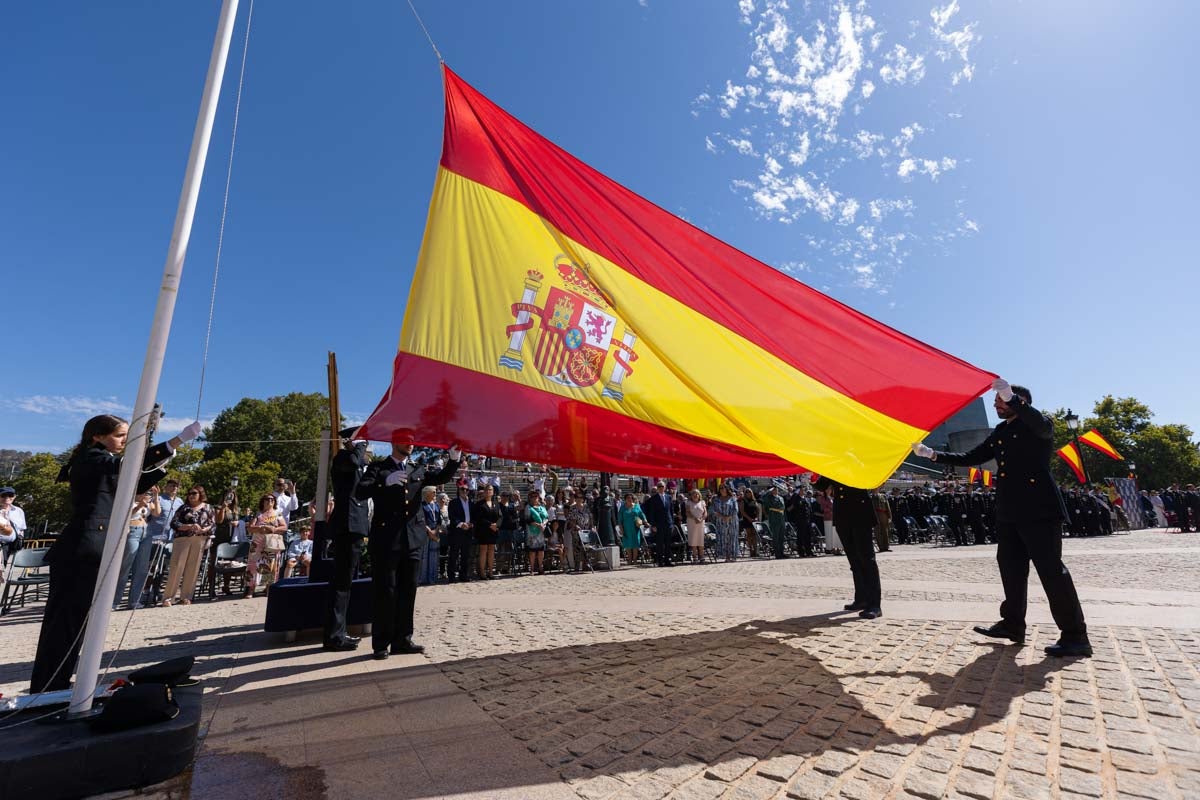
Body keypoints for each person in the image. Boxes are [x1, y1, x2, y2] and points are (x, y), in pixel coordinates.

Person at [914, 378, 1091, 658]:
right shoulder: (1000, 432)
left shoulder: (1037, 424)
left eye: (1000, 400)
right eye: (997, 400)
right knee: (1011, 569)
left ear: (1015, 402)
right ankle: (1012, 624)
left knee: (1051, 572)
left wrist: (1012, 397)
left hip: (1039, 509)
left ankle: (1075, 635)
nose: (996, 404)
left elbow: (1042, 427)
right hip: (1010, 511)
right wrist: (933, 454)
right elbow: (973, 456)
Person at [30, 414, 199, 693]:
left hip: (93, 546)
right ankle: (48, 685)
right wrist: (175, 441)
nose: (124, 442)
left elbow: (134, 482)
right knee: (66, 622)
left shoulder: (99, 461)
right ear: (97, 435)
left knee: (75, 621)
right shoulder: (91, 458)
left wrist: (164, 456)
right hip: (83, 549)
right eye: (121, 436)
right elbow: (129, 466)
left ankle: (55, 682)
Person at [363, 432, 461, 660]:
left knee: (408, 592)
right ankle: (381, 643)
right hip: (387, 539)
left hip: (413, 540)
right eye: (405, 441)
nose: (410, 444)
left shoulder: (416, 469)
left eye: (411, 441)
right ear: (394, 443)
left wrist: (454, 460)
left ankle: (403, 639)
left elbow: (440, 477)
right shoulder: (379, 469)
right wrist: (383, 482)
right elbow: (361, 490)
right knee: (385, 592)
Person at [816, 477, 882, 619]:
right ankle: (861, 598)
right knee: (854, 561)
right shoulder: (833, 464)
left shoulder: (856, 459)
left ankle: (875, 605)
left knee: (867, 559)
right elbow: (822, 485)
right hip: (842, 514)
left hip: (860, 511)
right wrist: (816, 471)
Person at [162, 485, 215, 606]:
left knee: (193, 568)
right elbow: (174, 523)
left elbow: (213, 525)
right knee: (176, 567)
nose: (191, 496)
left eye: (194, 493)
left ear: (200, 494)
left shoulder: (208, 508)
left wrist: (203, 529)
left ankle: (186, 596)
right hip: (182, 539)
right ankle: (168, 597)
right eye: (189, 493)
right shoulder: (183, 508)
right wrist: (189, 526)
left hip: (199, 539)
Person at [111, 490, 156, 609]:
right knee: (125, 566)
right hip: (132, 531)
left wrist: (155, 496)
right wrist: (139, 506)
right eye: (144, 492)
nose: (145, 495)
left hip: (146, 532)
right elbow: (125, 516)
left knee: (141, 568)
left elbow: (157, 513)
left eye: (148, 493)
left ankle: (134, 600)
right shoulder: (129, 501)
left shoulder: (148, 503)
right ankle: (115, 600)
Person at [244, 494, 287, 598]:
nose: (270, 501)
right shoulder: (258, 514)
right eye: (267, 499)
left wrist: (273, 529)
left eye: (272, 499)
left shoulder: (278, 514)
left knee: (270, 565)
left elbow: (284, 527)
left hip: (271, 543)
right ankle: (251, 589)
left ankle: (268, 589)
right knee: (253, 565)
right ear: (263, 501)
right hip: (257, 543)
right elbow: (250, 528)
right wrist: (259, 528)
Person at [643, 481, 676, 567]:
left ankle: (667, 560)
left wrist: (672, 523)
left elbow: (671, 511)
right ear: (657, 488)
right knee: (660, 544)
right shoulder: (654, 498)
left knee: (668, 543)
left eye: (662, 486)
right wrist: (653, 525)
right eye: (659, 486)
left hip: (668, 523)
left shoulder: (669, 497)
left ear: (665, 487)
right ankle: (660, 561)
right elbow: (652, 513)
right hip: (658, 524)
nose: (661, 488)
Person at [472, 483, 501, 579]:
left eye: (490, 490)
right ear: (484, 492)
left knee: (492, 550)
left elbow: (500, 517)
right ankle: (482, 572)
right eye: (487, 490)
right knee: (483, 550)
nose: (489, 491)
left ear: (493, 492)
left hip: (494, 530)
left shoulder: (496, 504)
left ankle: (490, 572)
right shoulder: (479, 504)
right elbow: (479, 518)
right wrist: (490, 525)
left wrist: (496, 525)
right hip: (483, 530)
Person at [446, 485, 474, 582]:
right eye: (462, 489)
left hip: (468, 532)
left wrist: (471, 524)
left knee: (465, 555)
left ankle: (463, 576)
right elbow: (452, 516)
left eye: (466, 489)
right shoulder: (453, 502)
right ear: (458, 490)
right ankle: (451, 576)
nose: (464, 491)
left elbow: (473, 516)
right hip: (457, 532)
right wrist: (461, 524)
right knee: (454, 555)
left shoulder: (471, 503)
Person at [417, 488, 444, 586]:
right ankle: (422, 578)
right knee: (424, 556)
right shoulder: (422, 505)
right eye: (433, 492)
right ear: (427, 493)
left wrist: (435, 530)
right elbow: (421, 519)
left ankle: (432, 578)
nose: (435, 493)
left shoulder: (436, 505)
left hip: (435, 532)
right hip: (425, 533)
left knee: (434, 555)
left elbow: (439, 520)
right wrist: (429, 531)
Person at [0, 487, 28, 568]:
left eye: (10, 495)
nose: (7, 498)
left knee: (2, 568)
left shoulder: (18, 511)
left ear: (14, 496)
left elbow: (22, 528)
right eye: (3, 495)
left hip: (10, 546)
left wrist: (19, 541)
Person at [711, 484, 739, 561]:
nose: (722, 489)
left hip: (732, 521)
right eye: (721, 488)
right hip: (721, 521)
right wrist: (722, 516)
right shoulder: (716, 499)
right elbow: (713, 510)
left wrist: (729, 517)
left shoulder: (732, 498)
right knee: (723, 538)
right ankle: (725, 556)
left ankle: (732, 555)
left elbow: (735, 509)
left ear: (727, 489)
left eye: (724, 488)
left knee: (731, 538)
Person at [618, 492, 648, 564]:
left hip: (635, 528)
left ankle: (634, 559)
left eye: (631, 498)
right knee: (628, 544)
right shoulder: (622, 508)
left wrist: (645, 521)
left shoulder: (637, 506)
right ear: (625, 499)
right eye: (628, 498)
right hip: (626, 528)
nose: (629, 499)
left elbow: (641, 514)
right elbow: (620, 520)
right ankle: (629, 559)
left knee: (635, 544)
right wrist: (621, 529)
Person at [524, 490, 549, 574]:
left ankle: (540, 567)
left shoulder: (542, 507)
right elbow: (527, 519)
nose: (535, 498)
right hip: (532, 532)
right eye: (532, 496)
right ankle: (532, 568)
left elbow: (546, 517)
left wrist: (544, 524)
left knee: (541, 550)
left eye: (536, 496)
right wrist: (538, 525)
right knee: (532, 551)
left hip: (541, 532)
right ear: (530, 498)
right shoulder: (528, 507)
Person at [762, 485, 786, 558]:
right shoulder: (769, 498)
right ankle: (777, 554)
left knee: (781, 537)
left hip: (781, 518)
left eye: (776, 489)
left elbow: (783, 508)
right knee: (776, 537)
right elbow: (764, 499)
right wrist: (768, 491)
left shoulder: (781, 498)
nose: (776, 490)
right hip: (774, 518)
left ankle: (782, 553)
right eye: (774, 489)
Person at [684, 489, 707, 563]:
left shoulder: (702, 502)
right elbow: (687, 513)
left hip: (701, 523)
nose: (695, 495)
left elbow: (705, 513)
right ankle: (694, 556)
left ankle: (702, 556)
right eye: (693, 494)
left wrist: (701, 519)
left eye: (697, 494)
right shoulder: (689, 503)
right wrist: (695, 518)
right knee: (694, 540)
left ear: (699, 495)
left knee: (700, 540)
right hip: (692, 522)